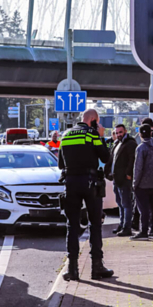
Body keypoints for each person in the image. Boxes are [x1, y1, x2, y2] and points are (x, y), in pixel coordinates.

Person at [58, 109, 114, 281]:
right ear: (93, 120)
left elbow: (60, 164)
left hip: (71, 184)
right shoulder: (91, 134)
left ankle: (72, 269)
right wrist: (101, 136)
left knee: (72, 225)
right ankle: (96, 267)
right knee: (95, 224)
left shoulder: (65, 135)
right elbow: (105, 157)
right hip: (90, 183)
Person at [131, 123, 153, 240]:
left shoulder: (141, 148)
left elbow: (138, 168)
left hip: (142, 184)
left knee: (143, 209)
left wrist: (135, 183)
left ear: (140, 134)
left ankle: (143, 231)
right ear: (151, 133)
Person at [109, 124, 137, 236]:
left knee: (126, 204)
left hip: (124, 179)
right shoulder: (117, 143)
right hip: (117, 178)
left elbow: (132, 159)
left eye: (120, 132)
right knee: (120, 204)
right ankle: (121, 224)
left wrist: (129, 173)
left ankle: (127, 227)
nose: (118, 134)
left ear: (125, 131)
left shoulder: (130, 143)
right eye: (116, 133)